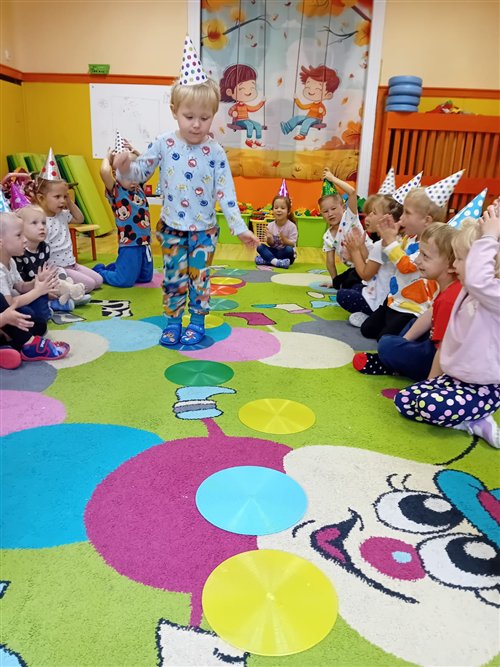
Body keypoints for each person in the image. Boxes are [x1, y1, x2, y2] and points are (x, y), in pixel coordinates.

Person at [114, 36, 259, 347]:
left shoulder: (215, 151)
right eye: (189, 117)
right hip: (172, 229)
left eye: (204, 118)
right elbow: (137, 174)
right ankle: (172, 322)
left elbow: (226, 193)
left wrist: (240, 228)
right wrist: (124, 166)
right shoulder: (164, 143)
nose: (196, 125)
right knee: (173, 278)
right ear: (174, 110)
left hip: (204, 231)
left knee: (199, 278)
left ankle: (196, 322)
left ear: (213, 115)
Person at [394, 204, 500, 449]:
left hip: (483, 388)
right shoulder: (470, 292)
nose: (456, 265)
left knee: (430, 406)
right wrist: (432, 381)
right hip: (454, 379)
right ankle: (468, 418)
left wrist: (489, 237)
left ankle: (477, 420)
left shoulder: (493, 294)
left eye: (461, 259)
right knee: (404, 400)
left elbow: (478, 279)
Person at [354, 222, 461, 379]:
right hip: (434, 344)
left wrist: (430, 385)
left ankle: (392, 364)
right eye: (419, 254)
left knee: (386, 345)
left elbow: (443, 349)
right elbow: (431, 314)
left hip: (441, 359)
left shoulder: (449, 298)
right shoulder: (445, 287)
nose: (417, 261)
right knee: (410, 326)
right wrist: (403, 341)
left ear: (451, 265)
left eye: (425, 256)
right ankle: (394, 361)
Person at [0, 212, 69, 361]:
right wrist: (38, 291)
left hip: (5, 319)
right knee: (24, 312)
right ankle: (28, 344)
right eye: (19, 235)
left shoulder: (10, 262)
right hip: (4, 315)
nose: (25, 240)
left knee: (39, 324)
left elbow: (20, 286)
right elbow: (9, 304)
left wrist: (37, 282)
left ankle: (8, 346)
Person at [337, 194, 402, 327]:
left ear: (387, 219)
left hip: (379, 302)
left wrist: (355, 251)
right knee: (355, 287)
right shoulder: (395, 241)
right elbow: (372, 262)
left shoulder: (381, 245)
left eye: (374, 212)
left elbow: (366, 274)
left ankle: (372, 316)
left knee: (342, 295)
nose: (369, 216)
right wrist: (361, 246)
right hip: (384, 296)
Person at [34, 167, 103, 293]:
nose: (62, 200)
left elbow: (80, 219)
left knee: (99, 281)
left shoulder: (62, 214)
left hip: (72, 264)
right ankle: (59, 287)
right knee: (90, 284)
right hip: (58, 269)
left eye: (64, 196)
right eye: (57, 197)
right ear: (41, 198)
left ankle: (68, 285)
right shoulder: (40, 221)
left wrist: (69, 202)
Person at [95, 141, 154, 287]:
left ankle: (119, 267)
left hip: (145, 243)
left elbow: (150, 167)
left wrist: (137, 153)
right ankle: (100, 271)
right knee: (124, 281)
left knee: (145, 278)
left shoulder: (139, 188)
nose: (133, 181)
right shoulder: (116, 190)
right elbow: (104, 172)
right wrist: (108, 158)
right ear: (116, 174)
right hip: (130, 244)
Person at [14, 204, 88, 312]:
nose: (41, 227)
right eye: (34, 223)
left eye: (44, 223)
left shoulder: (44, 247)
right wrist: (42, 290)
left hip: (41, 284)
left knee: (59, 279)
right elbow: (20, 286)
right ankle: (56, 303)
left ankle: (70, 294)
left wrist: (49, 282)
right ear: (21, 228)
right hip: (27, 290)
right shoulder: (19, 252)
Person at [319, 168, 367, 290]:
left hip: (369, 262)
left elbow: (352, 192)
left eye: (333, 209)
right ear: (322, 214)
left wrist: (332, 178)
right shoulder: (328, 236)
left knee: (349, 283)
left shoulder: (350, 217)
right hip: (355, 268)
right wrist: (335, 281)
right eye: (325, 211)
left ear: (343, 207)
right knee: (341, 282)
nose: (330, 214)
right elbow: (330, 262)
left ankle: (365, 288)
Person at [280, 64, 339, 140]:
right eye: (308, 87)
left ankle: (302, 135)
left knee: (307, 121)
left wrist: (322, 111)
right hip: (309, 117)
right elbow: (302, 106)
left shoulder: (320, 105)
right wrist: (296, 99)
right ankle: (287, 128)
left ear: (328, 95)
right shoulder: (312, 104)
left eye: (317, 89)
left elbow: (323, 113)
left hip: (317, 119)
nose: (311, 91)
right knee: (297, 117)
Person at [219, 64, 265, 148]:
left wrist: (262, 103)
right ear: (230, 92)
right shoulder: (236, 106)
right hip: (238, 121)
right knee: (249, 125)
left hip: (246, 120)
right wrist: (233, 113)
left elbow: (254, 108)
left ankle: (258, 140)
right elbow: (230, 111)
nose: (248, 91)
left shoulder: (245, 106)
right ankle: (248, 141)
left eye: (252, 87)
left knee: (258, 125)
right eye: (242, 88)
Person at [254, 194, 298, 269]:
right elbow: (271, 244)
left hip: (285, 254)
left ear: (288, 211)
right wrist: (269, 238)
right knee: (259, 246)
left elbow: (292, 244)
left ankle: (267, 260)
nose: (279, 210)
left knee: (289, 250)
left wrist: (285, 241)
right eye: (276, 208)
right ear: (272, 210)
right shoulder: (270, 225)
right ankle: (276, 262)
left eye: (282, 208)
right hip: (274, 251)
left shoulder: (292, 226)